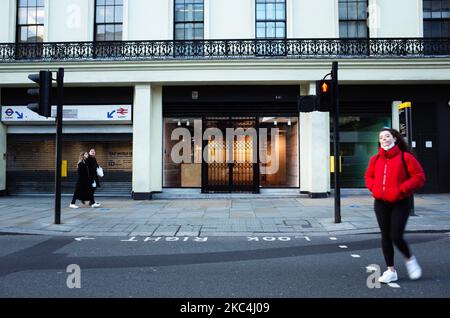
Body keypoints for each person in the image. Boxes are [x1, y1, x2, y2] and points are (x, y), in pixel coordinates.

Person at [365, 128, 426, 283]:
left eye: (387, 136)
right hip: (380, 203)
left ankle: (410, 260)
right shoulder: (375, 159)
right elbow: (368, 176)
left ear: (395, 139)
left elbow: (419, 177)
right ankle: (390, 270)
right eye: (381, 137)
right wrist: (374, 188)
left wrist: (401, 189)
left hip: (400, 202)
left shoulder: (406, 157)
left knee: (396, 235)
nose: (384, 139)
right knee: (385, 236)